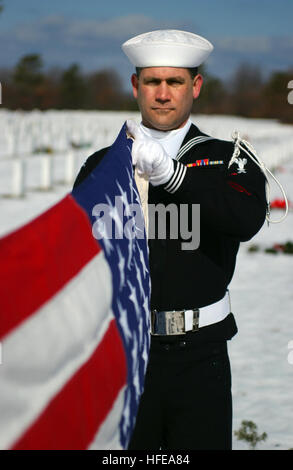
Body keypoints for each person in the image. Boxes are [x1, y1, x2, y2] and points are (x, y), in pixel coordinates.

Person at [74, 30, 267, 450]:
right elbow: (79, 252)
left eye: (175, 82)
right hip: (125, 353)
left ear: (195, 86)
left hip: (200, 354)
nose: (163, 94)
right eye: (152, 82)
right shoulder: (101, 165)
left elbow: (246, 219)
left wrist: (174, 177)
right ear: (135, 86)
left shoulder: (228, 158)